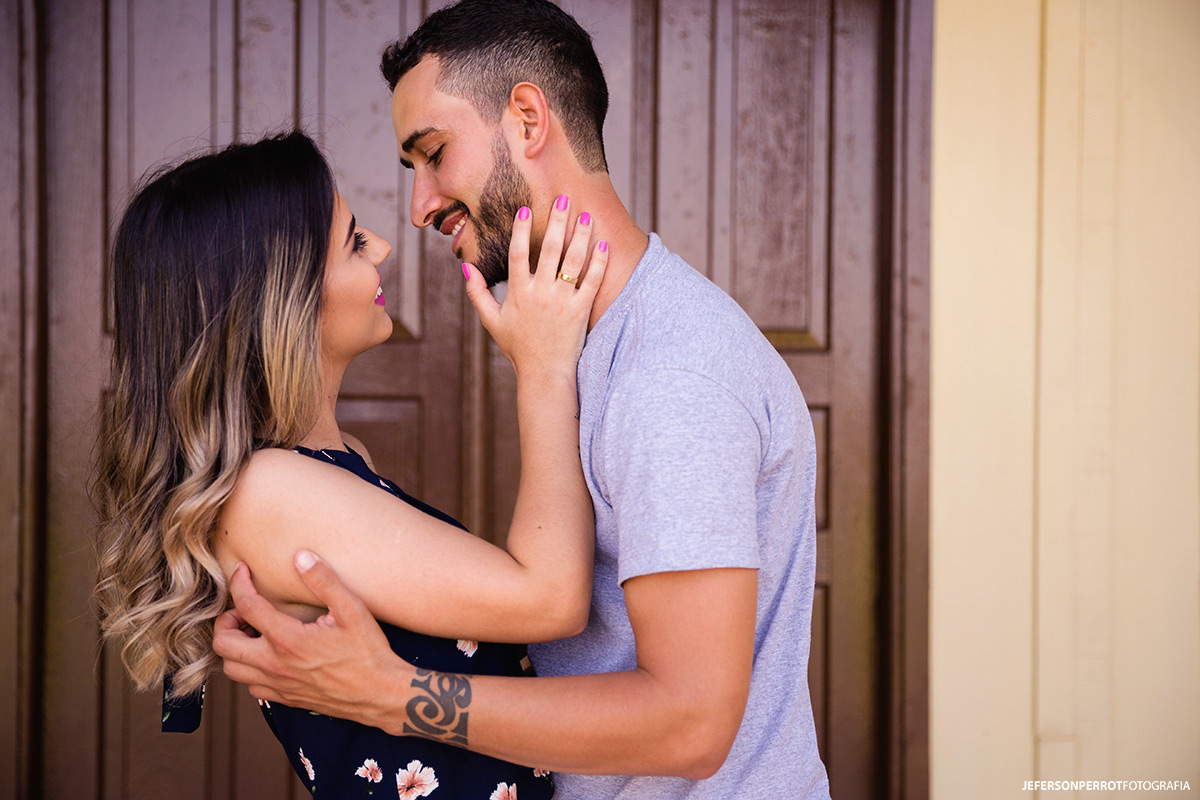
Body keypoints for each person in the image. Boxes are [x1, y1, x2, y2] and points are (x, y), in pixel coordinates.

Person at [214, 1, 832, 798]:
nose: (419, 205)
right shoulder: (581, 347)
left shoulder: (672, 376)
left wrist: (393, 696)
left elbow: (690, 724)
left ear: (529, 120)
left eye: (434, 154)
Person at [92, 130, 610, 798]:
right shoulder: (271, 493)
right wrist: (543, 371)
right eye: (355, 241)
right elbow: (550, 599)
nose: (384, 249)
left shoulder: (331, 464)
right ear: (282, 298)